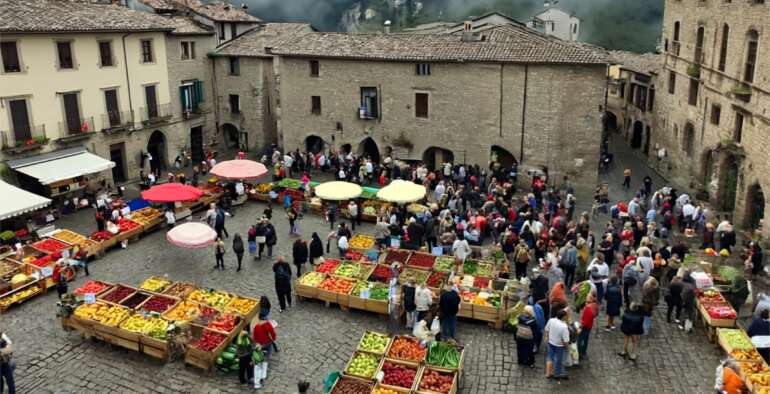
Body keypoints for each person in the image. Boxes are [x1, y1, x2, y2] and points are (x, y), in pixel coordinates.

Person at [252, 313, 276, 389]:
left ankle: (257, 382)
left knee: (258, 362)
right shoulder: (268, 325)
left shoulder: (256, 326)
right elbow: (273, 334)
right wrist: (273, 339)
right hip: (267, 344)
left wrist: (256, 343)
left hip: (259, 345)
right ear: (265, 319)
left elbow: (254, 336)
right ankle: (263, 376)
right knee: (266, 359)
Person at [544, 308, 570, 381]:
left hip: (551, 342)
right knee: (558, 360)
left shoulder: (551, 320)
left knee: (550, 357)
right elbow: (565, 341)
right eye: (566, 316)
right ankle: (556, 374)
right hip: (559, 346)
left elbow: (546, 329)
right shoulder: (564, 327)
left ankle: (548, 373)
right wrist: (568, 349)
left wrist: (546, 337)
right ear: (563, 317)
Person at [577, 292, 598, 360]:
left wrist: (580, 327)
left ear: (591, 298)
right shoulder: (595, 305)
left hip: (585, 326)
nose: (586, 296)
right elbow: (595, 315)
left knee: (579, 339)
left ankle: (579, 353)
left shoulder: (588, 308)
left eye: (588, 296)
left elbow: (585, 321)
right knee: (586, 339)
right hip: (589, 326)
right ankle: (583, 351)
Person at [0, 330, 14, 394]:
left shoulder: (3, 338)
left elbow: (10, 349)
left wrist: (3, 352)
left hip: (5, 363)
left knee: (10, 382)